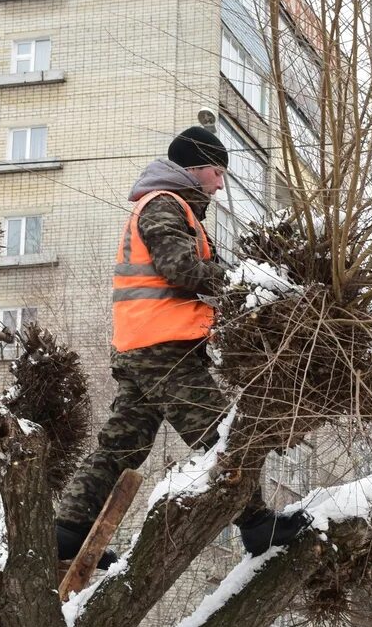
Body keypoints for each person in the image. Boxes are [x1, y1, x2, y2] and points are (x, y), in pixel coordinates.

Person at [54, 126, 309, 567]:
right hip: (162, 347)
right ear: (193, 169)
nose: (221, 182)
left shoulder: (170, 207)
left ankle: (67, 533)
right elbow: (179, 268)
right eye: (216, 170)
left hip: (143, 345)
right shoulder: (164, 206)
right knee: (224, 437)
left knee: (122, 445)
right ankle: (256, 525)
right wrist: (244, 284)